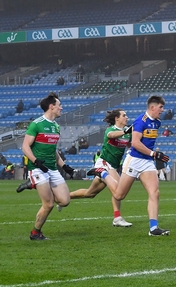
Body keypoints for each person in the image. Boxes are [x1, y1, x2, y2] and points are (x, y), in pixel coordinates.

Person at [16, 92, 76, 240]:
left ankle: (32, 184)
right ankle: (35, 233)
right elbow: (25, 146)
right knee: (48, 204)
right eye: (59, 105)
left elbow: (53, 150)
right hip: (37, 168)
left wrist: (64, 165)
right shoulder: (36, 124)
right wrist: (36, 161)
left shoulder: (56, 126)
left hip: (52, 168)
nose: (61, 108)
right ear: (51, 107)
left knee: (65, 200)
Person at [113, 95, 170, 236]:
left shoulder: (157, 122)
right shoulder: (140, 121)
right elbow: (136, 143)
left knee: (154, 192)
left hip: (147, 162)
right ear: (152, 107)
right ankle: (105, 175)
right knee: (119, 195)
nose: (162, 110)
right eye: (160, 107)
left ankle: (153, 228)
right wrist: (153, 154)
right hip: (134, 160)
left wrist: (153, 155)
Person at [74, 109, 133, 227]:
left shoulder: (127, 134)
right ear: (117, 118)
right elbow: (111, 135)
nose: (127, 117)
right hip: (104, 163)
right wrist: (125, 131)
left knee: (90, 194)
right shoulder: (111, 130)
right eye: (124, 115)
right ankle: (117, 218)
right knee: (118, 189)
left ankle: (62, 199)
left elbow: (129, 146)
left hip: (114, 166)